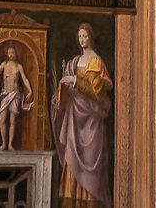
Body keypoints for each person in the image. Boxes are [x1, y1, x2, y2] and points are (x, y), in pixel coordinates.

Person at [53, 23, 112, 206]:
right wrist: (59, 95)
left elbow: (97, 92)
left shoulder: (96, 61)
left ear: (91, 37)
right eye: (80, 36)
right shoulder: (74, 61)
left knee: (90, 160)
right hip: (74, 118)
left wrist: (75, 80)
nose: (82, 39)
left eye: (85, 36)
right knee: (72, 159)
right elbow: (67, 88)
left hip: (91, 119)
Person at [0, 45, 33, 151]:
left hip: (15, 94)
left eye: (13, 52)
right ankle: (4, 144)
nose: (11, 54)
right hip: (5, 94)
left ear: (16, 54)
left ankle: (10, 145)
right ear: (7, 54)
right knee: (2, 119)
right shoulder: (4, 64)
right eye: (9, 52)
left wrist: (30, 90)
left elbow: (25, 79)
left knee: (13, 120)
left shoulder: (19, 66)